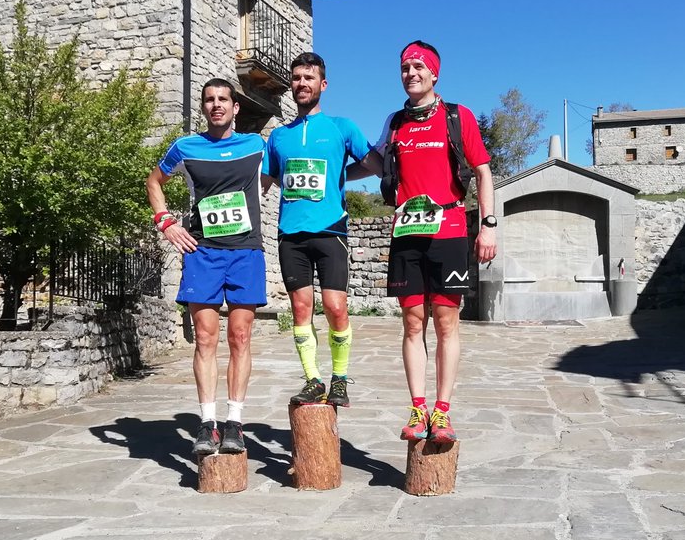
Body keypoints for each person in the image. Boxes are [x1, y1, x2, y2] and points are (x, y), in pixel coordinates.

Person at [373, 40, 497, 443]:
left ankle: (442, 412)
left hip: (449, 229)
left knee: (445, 322)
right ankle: (417, 408)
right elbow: (371, 162)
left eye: (418, 67)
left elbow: (482, 172)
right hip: (407, 232)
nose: (410, 73)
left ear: (434, 73)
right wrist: (330, 173)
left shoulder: (457, 117)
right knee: (412, 323)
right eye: (405, 67)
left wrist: (489, 225)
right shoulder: (394, 123)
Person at [145, 78, 269, 457]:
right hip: (203, 251)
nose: (216, 105)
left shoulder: (256, 145)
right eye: (209, 100)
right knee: (204, 338)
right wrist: (166, 223)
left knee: (241, 337)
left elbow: (281, 172)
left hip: (245, 251)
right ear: (204, 107)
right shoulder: (186, 147)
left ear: (236, 109)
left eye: (223, 100)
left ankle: (235, 423)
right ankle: (207, 424)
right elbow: (154, 181)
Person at [264, 52, 378, 408]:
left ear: (322, 85)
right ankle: (313, 379)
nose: (301, 83)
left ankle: (340, 378)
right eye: (296, 78)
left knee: (335, 307)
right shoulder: (278, 137)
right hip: (290, 234)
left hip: (331, 231)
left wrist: (341, 176)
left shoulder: (342, 127)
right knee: (300, 309)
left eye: (308, 78)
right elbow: (264, 182)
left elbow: (373, 164)